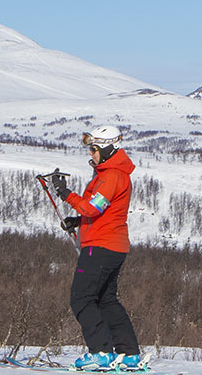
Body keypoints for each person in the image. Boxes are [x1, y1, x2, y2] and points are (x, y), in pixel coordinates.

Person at [52, 125, 146, 372]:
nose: (91, 154)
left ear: (106, 148)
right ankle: (128, 353)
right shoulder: (110, 173)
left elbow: (93, 208)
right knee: (106, 300)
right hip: (112, 245)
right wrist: (78, 221)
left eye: (93, 149)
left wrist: (66, 194)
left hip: (101, 247)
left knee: (81, 298)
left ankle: (101, 352)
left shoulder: (112, 175)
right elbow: (101, 211)